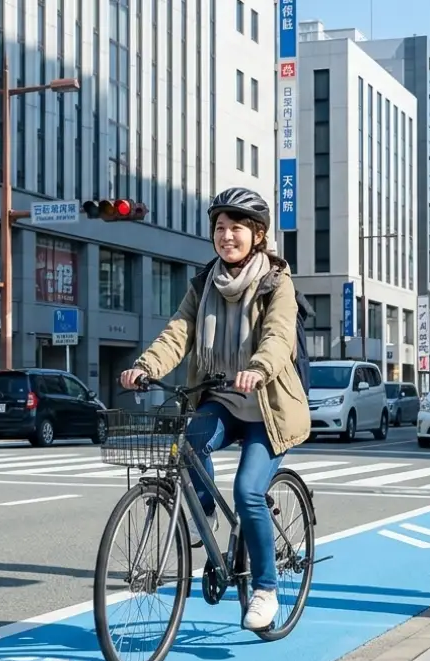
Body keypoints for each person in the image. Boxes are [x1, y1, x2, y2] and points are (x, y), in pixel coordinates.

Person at [119, 186, 311, 632]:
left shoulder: (277, 282)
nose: (226, 236)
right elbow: (178, 333)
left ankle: (265, 588)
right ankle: (204, 511)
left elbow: (279, 336)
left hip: (268, 405)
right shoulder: (204, 283)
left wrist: (260, 367)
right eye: (220, 228)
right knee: (187, 448)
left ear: (258, 235)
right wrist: (146, 366)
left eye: (237, 228)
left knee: (247, 492)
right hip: (222, 398)